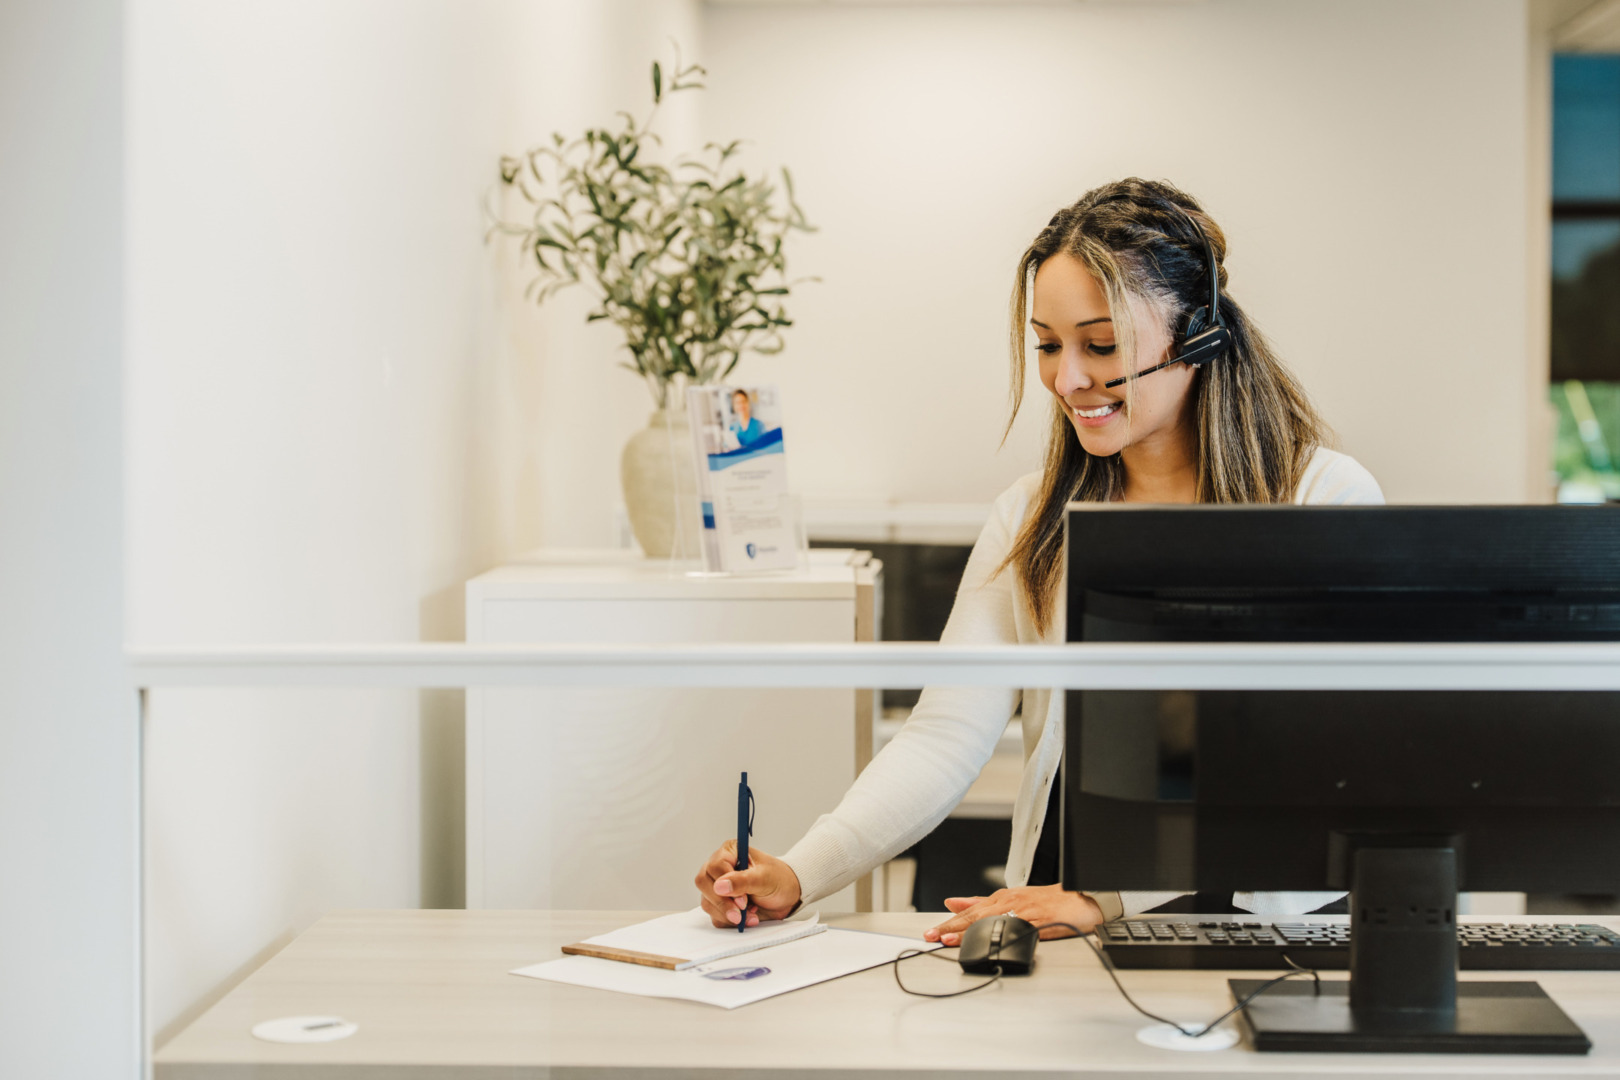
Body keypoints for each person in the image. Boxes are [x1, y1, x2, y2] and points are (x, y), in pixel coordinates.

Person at [693, 178, 1384, 945]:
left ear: (1199, 336)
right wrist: (799, 873)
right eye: (1049, 346)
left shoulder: (1322, 497)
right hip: (1063, 909)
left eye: (1101, 345)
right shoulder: (1032, 517)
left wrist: (1112, 898)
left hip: (1261, 921)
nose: (1066, 379)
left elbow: (1318, 771)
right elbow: (944, 736)